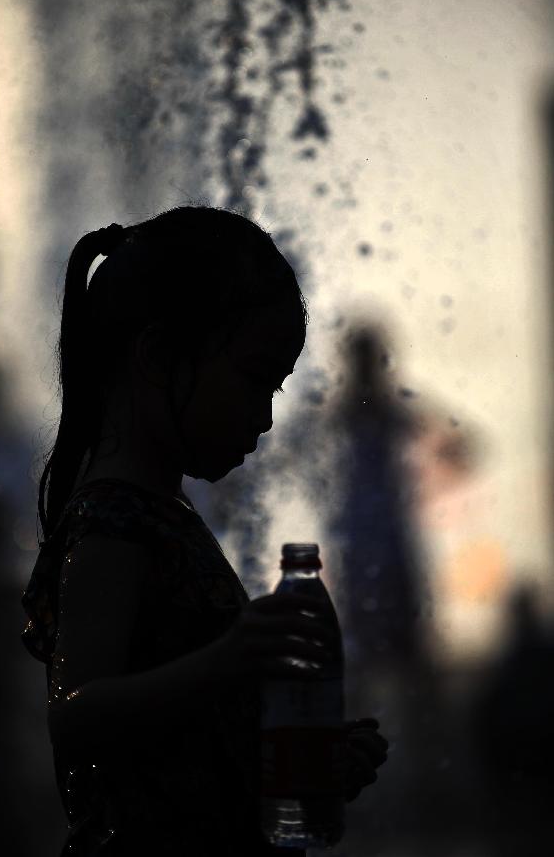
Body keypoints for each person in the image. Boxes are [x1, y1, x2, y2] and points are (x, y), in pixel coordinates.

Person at [21, 206, 388, 856]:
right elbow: (77, 717)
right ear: (159, 356)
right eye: (255, 379)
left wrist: (298, 760)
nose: (267, 418)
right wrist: (232, 658)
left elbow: (181, 730)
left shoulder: (161, 517)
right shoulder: (112, 525)